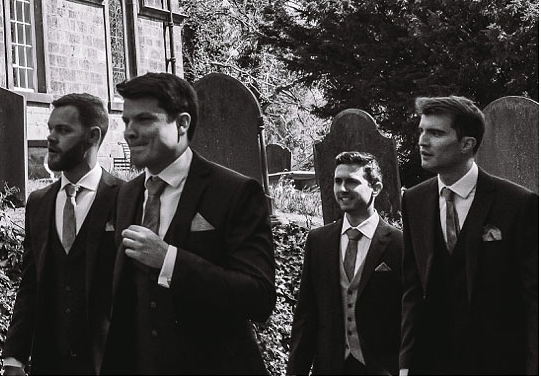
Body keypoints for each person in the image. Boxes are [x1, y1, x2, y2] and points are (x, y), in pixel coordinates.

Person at [101, 72, 275, 375]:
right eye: (126, 121)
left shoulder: (234, 192)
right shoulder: (126, 195)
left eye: (143, 120)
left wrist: (169, 260)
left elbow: (258, 296)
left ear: (182, 124)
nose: (129, 132)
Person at [399, 95, 538, 376]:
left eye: (436, 133)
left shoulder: (518, 203)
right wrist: (405, 363)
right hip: (432, 363)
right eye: (422, 131)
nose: (422, 141)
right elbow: (412, 290)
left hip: (498, 363)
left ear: (467, 144)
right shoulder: (414, 200)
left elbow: (534, 299)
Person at [3, 92, 121, 376]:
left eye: (64, 130)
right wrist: (14, 359)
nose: (51, 138)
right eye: (50, 129)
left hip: (109, 364)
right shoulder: (39, 202)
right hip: (50, 365)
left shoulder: (126, 198)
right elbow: (31, 283)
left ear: (93, 136)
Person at [287, 151, 402, 375]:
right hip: (330, 368)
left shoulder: (399, 244)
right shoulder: (319, 241)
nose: (342, 189)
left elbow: (409, 319)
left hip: (382, 369)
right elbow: (306, 317)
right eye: (337, 181)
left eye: (351, 181)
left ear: (375, 188)